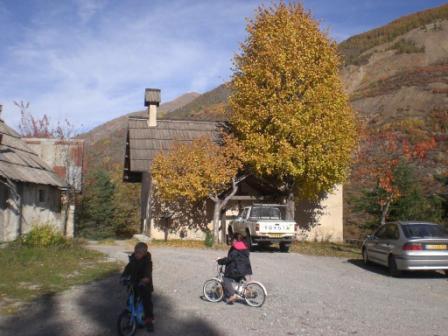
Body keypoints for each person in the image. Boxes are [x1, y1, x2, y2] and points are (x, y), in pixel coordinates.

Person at [122, 242, 154, 332]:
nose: (136, 254)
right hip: (134, 284)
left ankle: (149, 321)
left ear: (144, 253)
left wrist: (146, 279)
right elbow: (127, 269)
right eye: (135, 252)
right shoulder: (133, 260)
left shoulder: (148, 262)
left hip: (144, 286)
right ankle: (132, 315)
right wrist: (124, 277)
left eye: (139, 253)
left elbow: (148, 272)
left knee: (147, 302)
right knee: (130, 300)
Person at [217, 233, 253, 304]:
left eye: (232, 240)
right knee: (239, 280)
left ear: (235, 240)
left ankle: (232, 295)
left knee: (226, 278)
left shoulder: (235, 248)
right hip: (244, 269)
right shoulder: (243, 246)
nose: (231, 241)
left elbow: (229, 259)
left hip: (237, 269)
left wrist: (220, 261)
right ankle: (248, 291)